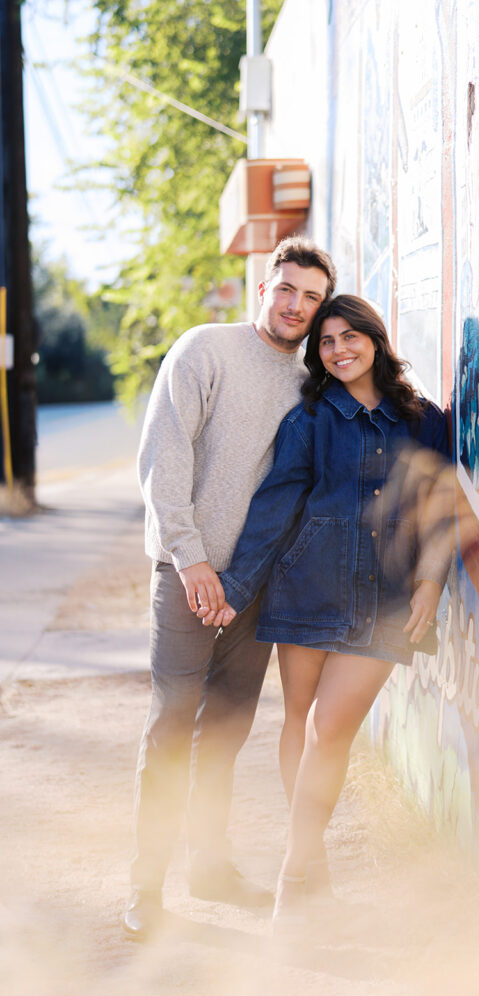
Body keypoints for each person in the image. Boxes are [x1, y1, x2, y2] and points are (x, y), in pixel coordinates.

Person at [197, 294, 452, 934]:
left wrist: (429, 581)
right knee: (302, 725)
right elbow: (276, 506)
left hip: (387, 601)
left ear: (374, 338)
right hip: (306, 588)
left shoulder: (422, 419)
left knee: (329, 730)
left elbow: (441, 504)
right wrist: (235, 585)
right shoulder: (308, 419)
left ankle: (291, 875)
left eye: (349, 337)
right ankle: (318, 876)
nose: (338, 350)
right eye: (327, 341)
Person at [124, 236, 337, 940]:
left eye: (310, 297)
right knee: (171, 722)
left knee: (225, 730)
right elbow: (164, 458)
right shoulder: (202, 350)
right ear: (262, 286)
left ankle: (210, 866)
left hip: (250, 588)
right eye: (287, 290)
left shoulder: (311, 381)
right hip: (185, 575)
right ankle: (145, 889)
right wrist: (191, 562)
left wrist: (238, 580)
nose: (296, 306)